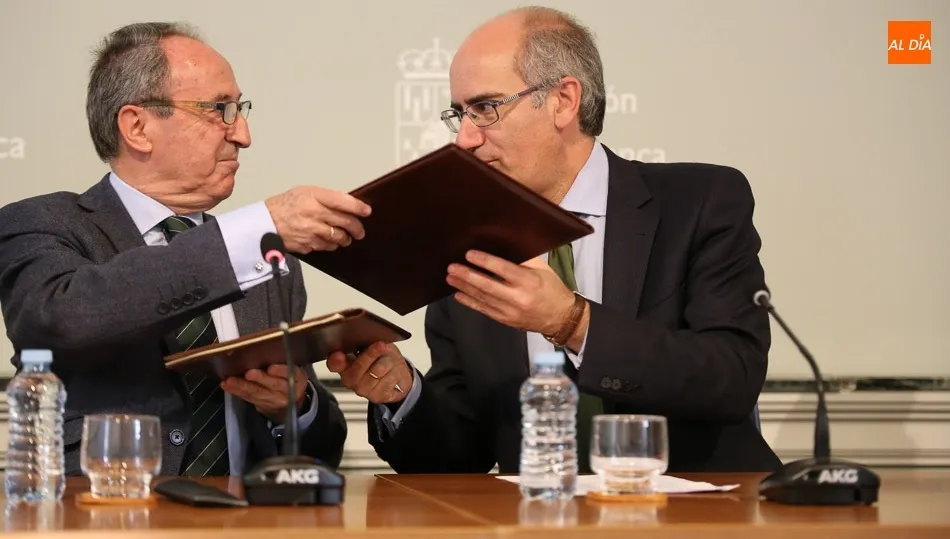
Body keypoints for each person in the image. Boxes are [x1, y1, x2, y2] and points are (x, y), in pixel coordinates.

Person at [328, 6, 782, 474]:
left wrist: (571, 322)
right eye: (458, 114)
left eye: (485, 108)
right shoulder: (465, 240)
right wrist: (402, 392)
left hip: (701, 510)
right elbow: (464, 452)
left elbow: (731, 378)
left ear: (564, 100)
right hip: (540, 515)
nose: (464, 139)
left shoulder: (699, 202)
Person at [0, 22, 370, 476]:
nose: (243, 134)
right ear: (137, 127)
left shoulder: (270, 261)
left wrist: (294, 405)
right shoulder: (45, 224)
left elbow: (319, 451)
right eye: (221, 109)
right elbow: (60, 320)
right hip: (103, 517)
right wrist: (256, 228)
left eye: (239, 109)